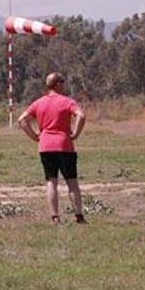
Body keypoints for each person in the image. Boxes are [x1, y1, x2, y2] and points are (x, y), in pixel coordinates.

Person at [18, 72, 87, 224]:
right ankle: (79, 216)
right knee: (72, 182)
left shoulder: (39, 103)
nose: (64, 84)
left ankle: (55, 217)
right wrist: (75, 133)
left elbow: (22, 120)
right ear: (57, 84)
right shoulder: (67, 101)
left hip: (46, 146)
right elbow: (81, 115)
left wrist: (35, 136)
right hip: (64, 145)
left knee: (51, 181)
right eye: (62, 81)